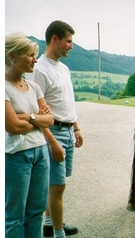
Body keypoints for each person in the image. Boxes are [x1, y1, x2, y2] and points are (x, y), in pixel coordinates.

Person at [25, 20, 83, 238]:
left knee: (55, 185)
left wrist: (76, 127)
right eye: (68, 41)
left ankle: (49, 225)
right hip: (53, 134)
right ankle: (59, 234)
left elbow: (68, 101)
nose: (71, 46)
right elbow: (36, 115)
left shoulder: (63, 67)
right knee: (58, 187)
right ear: (55, 39)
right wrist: (52, 141)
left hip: (67, 131)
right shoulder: (38, 69)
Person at [5, 33, 54, 237]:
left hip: (40, 152)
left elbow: (50, 120)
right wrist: (37, 120)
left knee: (36, 211)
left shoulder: (33, 87)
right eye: (30, 55)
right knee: (14, 215)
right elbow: (13, 127)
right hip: (16, 156)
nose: (35, 59)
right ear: (13, 56)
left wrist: (28, 117)